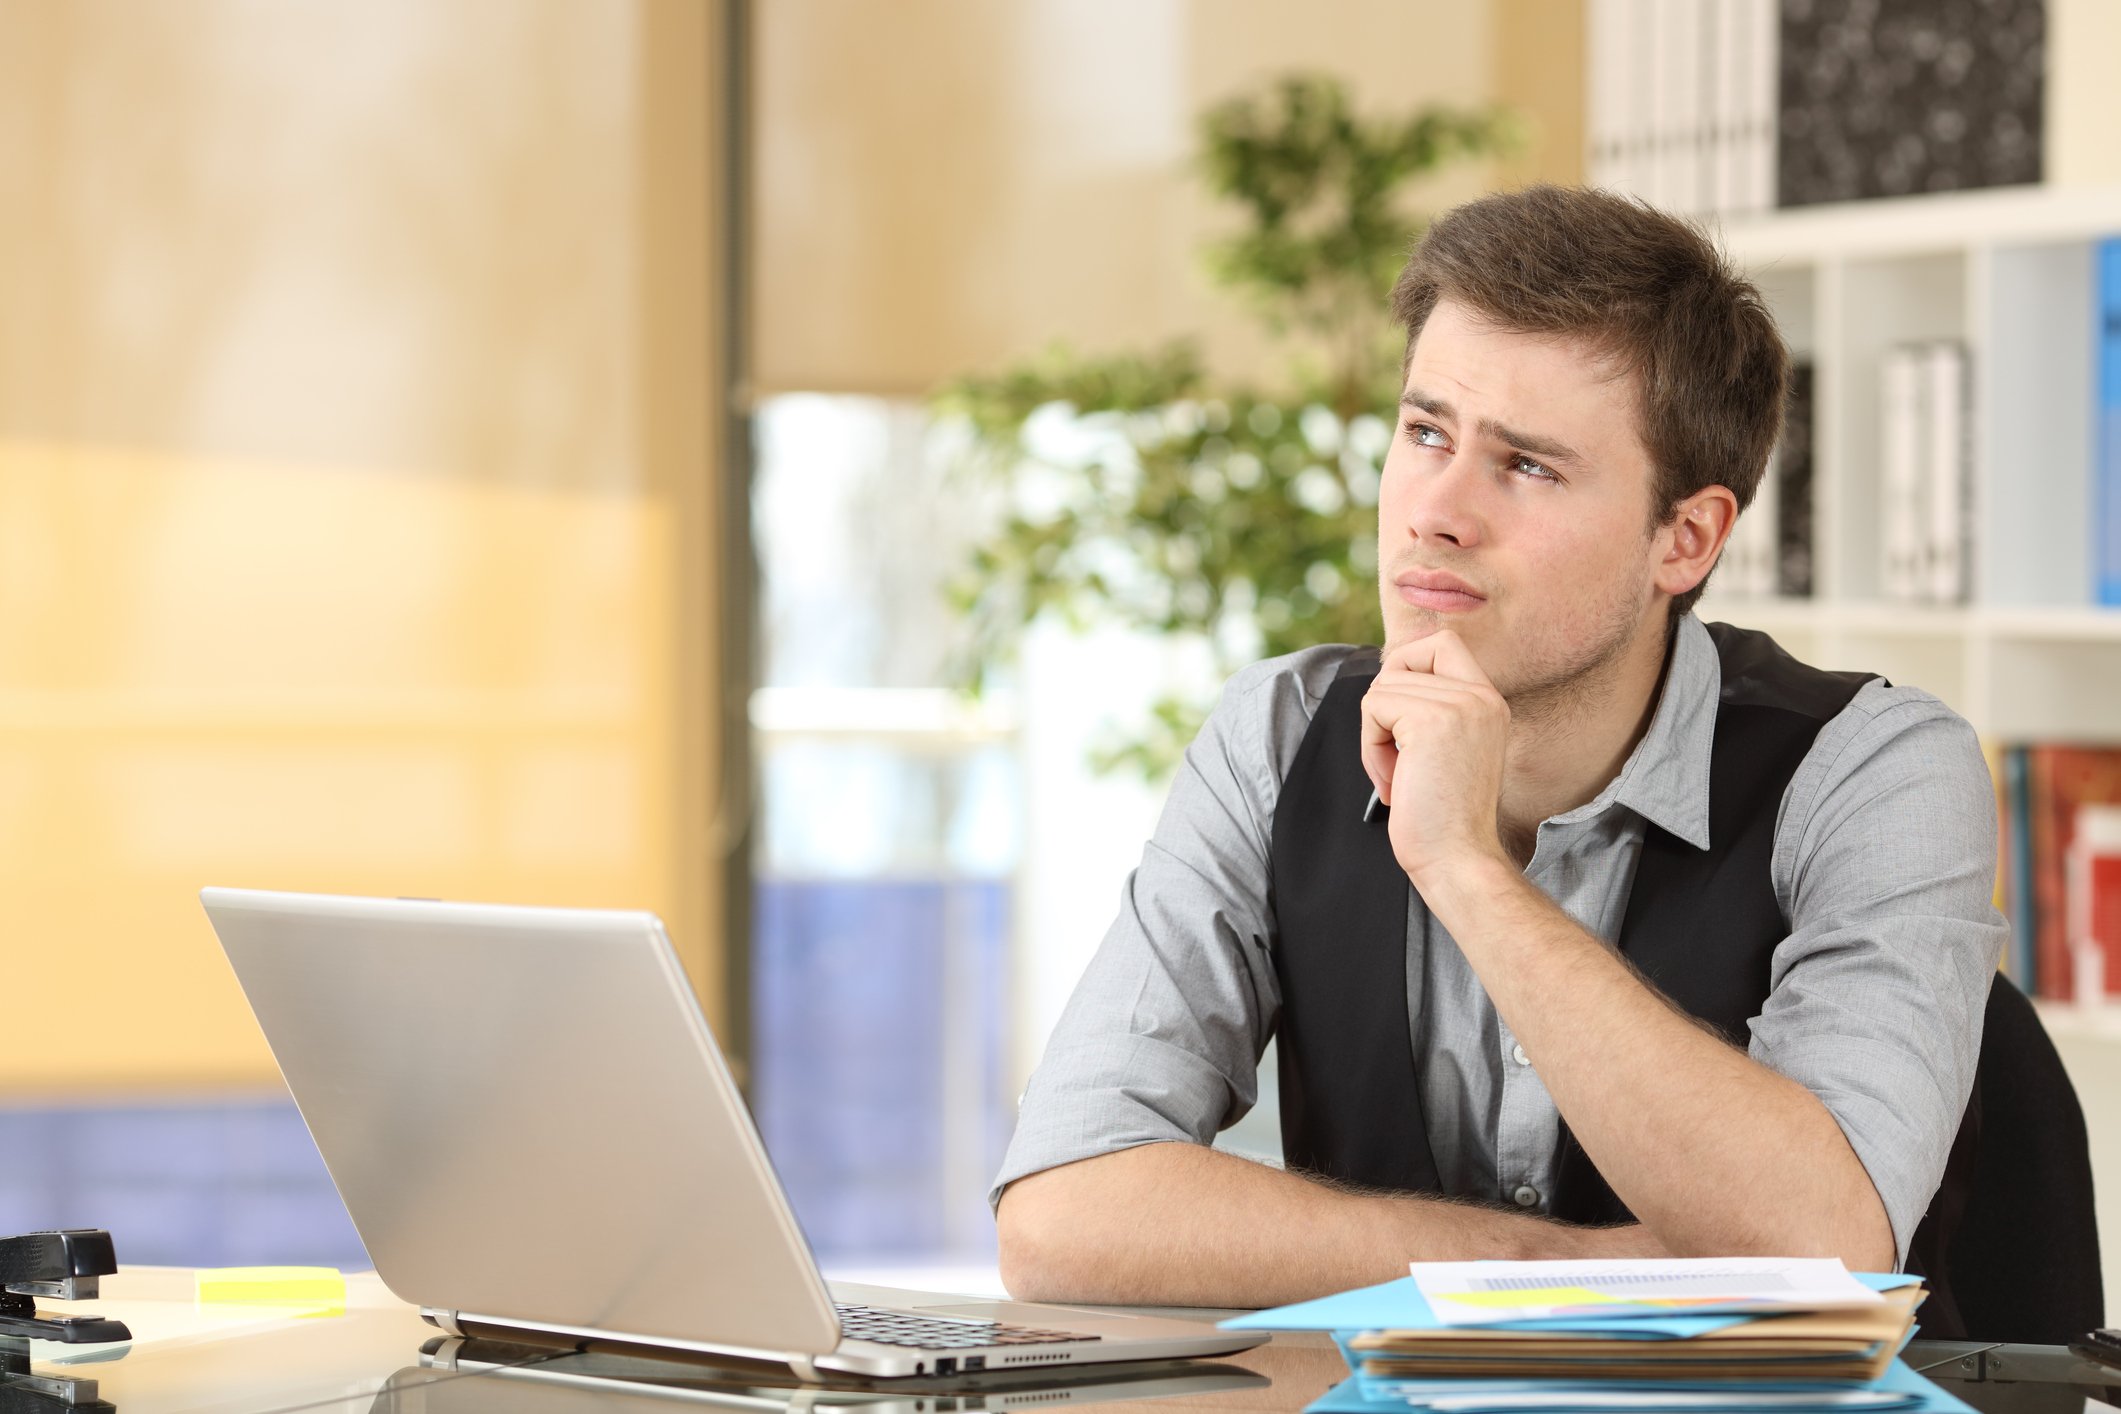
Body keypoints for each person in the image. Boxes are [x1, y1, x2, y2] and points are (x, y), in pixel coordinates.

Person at [989, 185, 2005, 1317]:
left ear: (1686, 537)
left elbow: (1823, 1247)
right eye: (1427, 433)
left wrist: (1468, 870)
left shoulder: (1878, 770)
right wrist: (1551, 1270)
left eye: (1526, 465)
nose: (1435, 511)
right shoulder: (1278, 737)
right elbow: (1061, 1212)